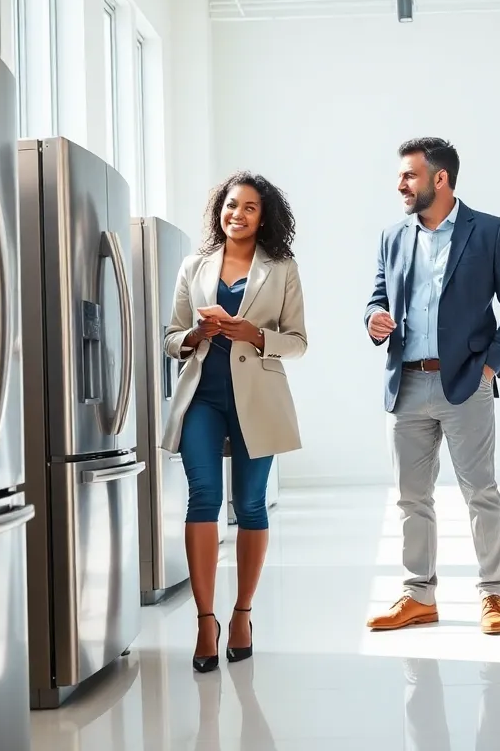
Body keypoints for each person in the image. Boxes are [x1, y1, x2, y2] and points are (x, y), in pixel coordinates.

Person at [363, 138, 500, 635]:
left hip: (466, 383)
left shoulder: (490, 232)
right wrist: (374, 316)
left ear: (440, 179)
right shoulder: (392, 237)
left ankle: (493, 596)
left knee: (481, 491)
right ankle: (418, 596)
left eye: (410, 175)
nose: (400, 184)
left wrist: (490, 366)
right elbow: (378, 294)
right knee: (410, 496)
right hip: (407, 383)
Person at [161, 171, 308, 673]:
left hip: (258, 398)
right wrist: (195, 333)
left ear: (263, 216)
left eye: (248, 207)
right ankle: (206, 621)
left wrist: (254, 334)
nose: (236, 215)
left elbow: (298, 341)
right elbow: (170, 337)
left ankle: (242, 612)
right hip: (203, 396)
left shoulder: (282, 269)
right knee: (202, 495)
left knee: (248, 503)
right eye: (230, 205)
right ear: (218, 211)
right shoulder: (194, 266)